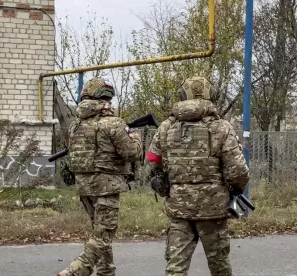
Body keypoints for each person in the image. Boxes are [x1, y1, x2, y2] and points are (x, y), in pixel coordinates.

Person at [144, 76, 249, 276]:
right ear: (211, 95)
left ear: (182, 96)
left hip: (178, 208)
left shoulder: (166, 127)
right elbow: (238, 170)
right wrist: (236, 189)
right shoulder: (222, 127)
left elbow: (151, 164)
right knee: (220, 267)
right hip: (213, 210)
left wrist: (165, 187)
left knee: (176, 267)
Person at [57, 77, 142, 276]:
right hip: (107, 186)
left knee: (100, 233)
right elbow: (131, 153)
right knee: (104, 235)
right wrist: (136, 137)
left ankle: (106, 272)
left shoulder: (75, 125)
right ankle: (75, 271)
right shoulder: (112, 123)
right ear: (106, 97)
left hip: (85, 187)